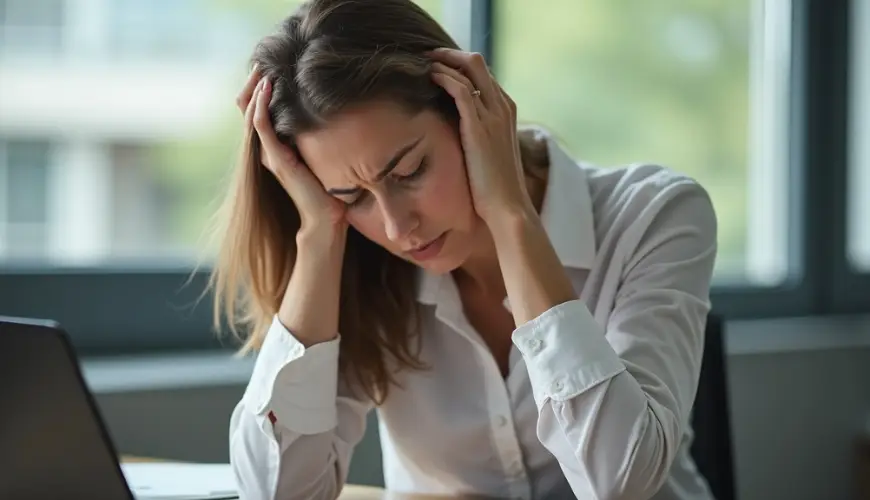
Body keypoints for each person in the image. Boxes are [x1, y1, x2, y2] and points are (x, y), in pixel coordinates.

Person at [212, 0, 718, 499]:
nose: (396, 226)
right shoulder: (356, 261)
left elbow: (620, 484)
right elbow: (277, 494)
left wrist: (511, 216)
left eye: (409, 172)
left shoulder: (654, 215)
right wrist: (318, 236)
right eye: (351, 196)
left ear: (472, 113)